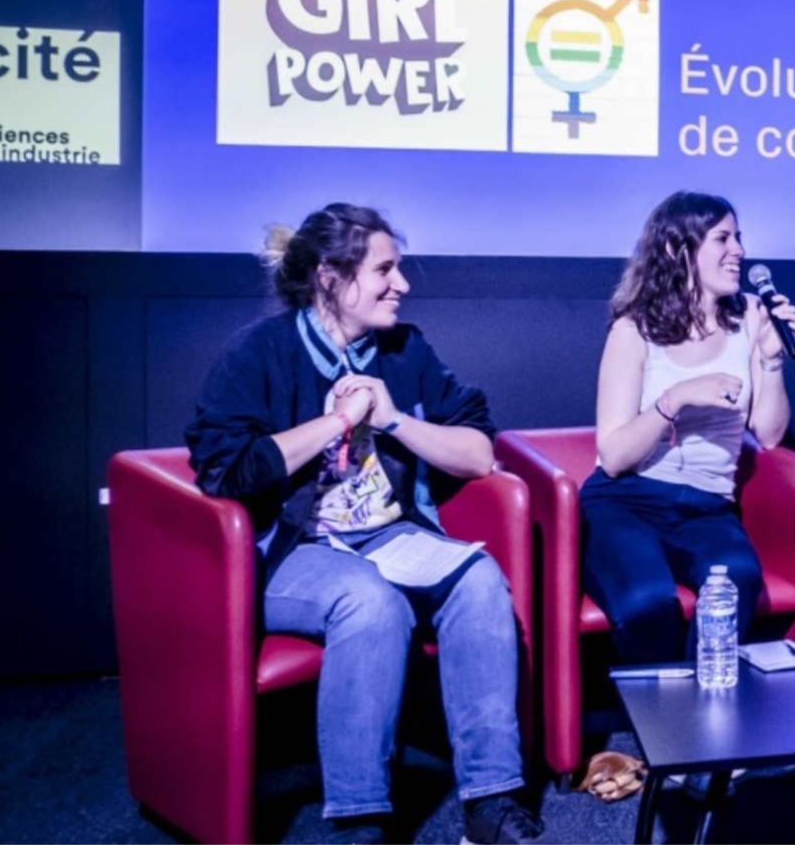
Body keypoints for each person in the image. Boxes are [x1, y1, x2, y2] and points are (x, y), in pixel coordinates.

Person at [186, 204, 542, 845]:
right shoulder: (260, 352)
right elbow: (227, 471)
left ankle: (491, 800)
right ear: (329, 277)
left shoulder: (405, 351)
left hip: (386, 536)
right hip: (294, 551)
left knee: (479, 578)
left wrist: (392, 416)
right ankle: (359, 819)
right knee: (369, 602)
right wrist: (336, 423)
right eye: (384, 269)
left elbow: (479, 452)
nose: (401, 284)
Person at [580, 192, 795, 665]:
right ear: (680, 251)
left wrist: (771, 358)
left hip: (706, 508)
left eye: (738, 237)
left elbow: (772, 433)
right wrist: (675, 399)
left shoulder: (749, 319)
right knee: (647, 601)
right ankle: (651, 729)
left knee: (738, 575)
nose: (738, 250)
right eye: (722, 238)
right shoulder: (633, 330)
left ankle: (700, 724)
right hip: (625, 501)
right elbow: (615, 456)